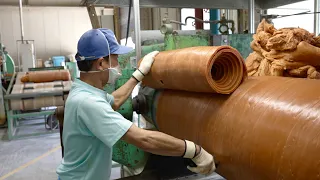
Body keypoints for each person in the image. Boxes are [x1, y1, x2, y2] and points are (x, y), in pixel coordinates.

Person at [56, 28, 216, 180]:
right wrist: (194, 151)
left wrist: (138, 75)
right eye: (116, 58)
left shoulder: (83, 91)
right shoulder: (88, 102)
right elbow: (144, 139)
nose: (118, 64)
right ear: (101, 63)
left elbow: (115, 101)